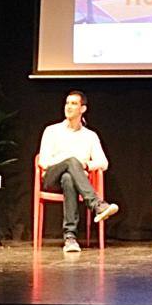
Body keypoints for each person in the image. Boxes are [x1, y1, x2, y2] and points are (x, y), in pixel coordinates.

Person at [37, 90, 119, 253]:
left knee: (69, 179)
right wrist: (69, 160)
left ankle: (70, 238)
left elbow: (103, 162)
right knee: (71, 161)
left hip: (74, 182)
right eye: (67, 103)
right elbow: (43, 161)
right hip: (51, 179)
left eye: (74, 104)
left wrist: (86, 165)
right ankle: (97, 205)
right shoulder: (52, 131)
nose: (68, 107)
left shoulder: (90, 136)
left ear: (83, 109)